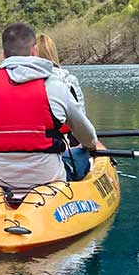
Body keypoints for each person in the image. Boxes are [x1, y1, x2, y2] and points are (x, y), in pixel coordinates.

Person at [0, 21, 101, 192]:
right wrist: (89, 147)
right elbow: (88, 135)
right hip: (47, 179)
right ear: (34, 51)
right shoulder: (56, 86)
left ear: (4, 54)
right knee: (82, 154)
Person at [36, 32, 92, 180]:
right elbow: (81, 121)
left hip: (26, 152)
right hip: (58, 149)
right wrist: (89, 145)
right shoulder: (67, 80)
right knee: (83, 152)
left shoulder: (16, 82)